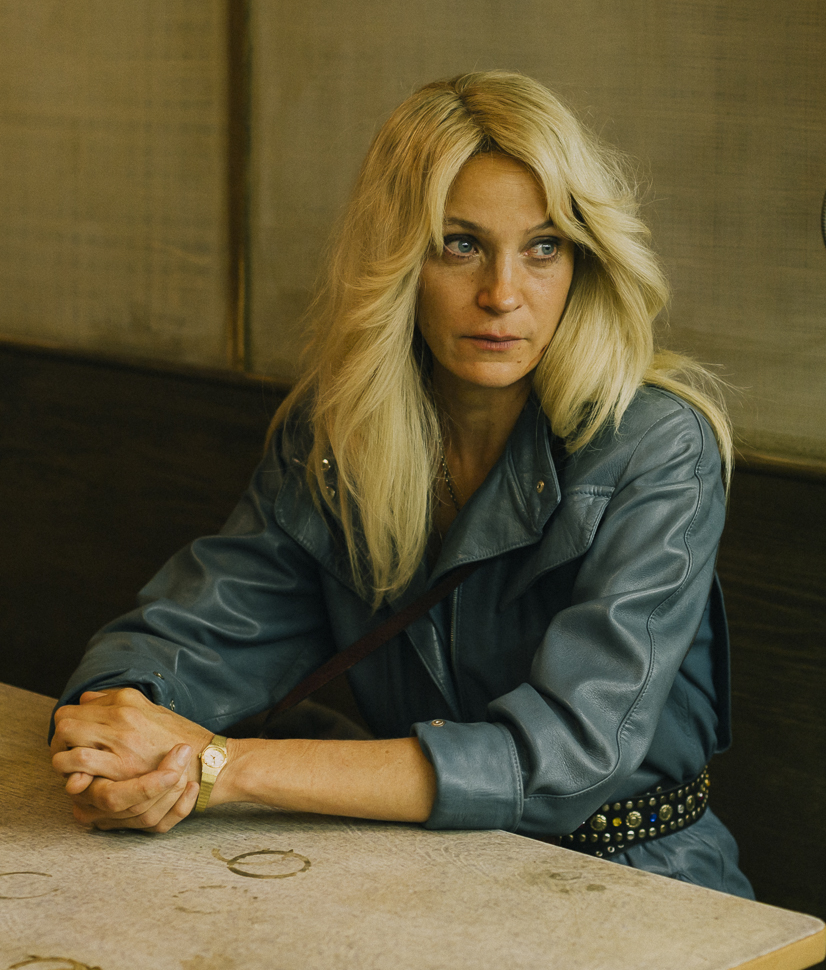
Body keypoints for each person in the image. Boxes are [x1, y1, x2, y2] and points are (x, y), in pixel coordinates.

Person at [50, 70, 752, 896]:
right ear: (397, 259)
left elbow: (562, 759)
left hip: (634, 884)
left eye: (543, 247)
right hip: (423, 872)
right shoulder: (338, 433)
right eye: (460, 244)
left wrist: (223, 767)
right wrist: (114, 735)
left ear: (583, 262)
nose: (502, 294)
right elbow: (195, 632)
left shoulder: (657, 446)